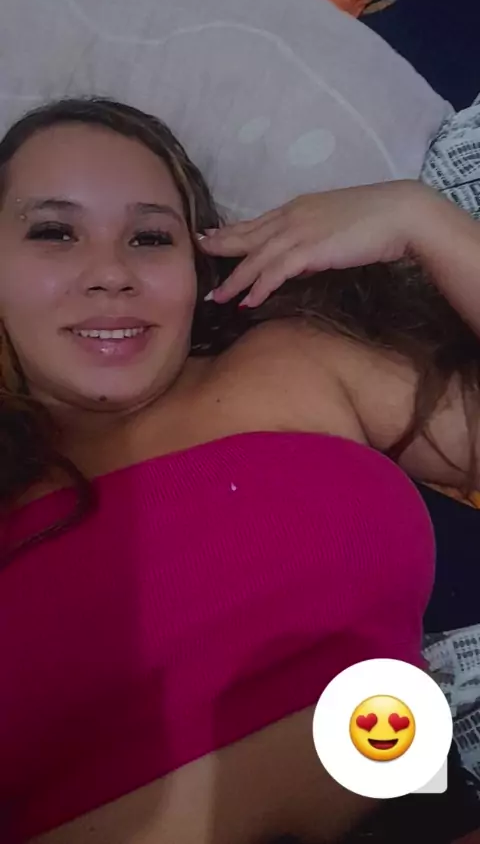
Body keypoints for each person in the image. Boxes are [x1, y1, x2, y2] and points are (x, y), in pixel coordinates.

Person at [0, 97, 479, 844]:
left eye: (150, 237)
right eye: (54, 232)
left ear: (197, 265)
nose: (111, 273)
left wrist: (424, 221)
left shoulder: (296, 361)